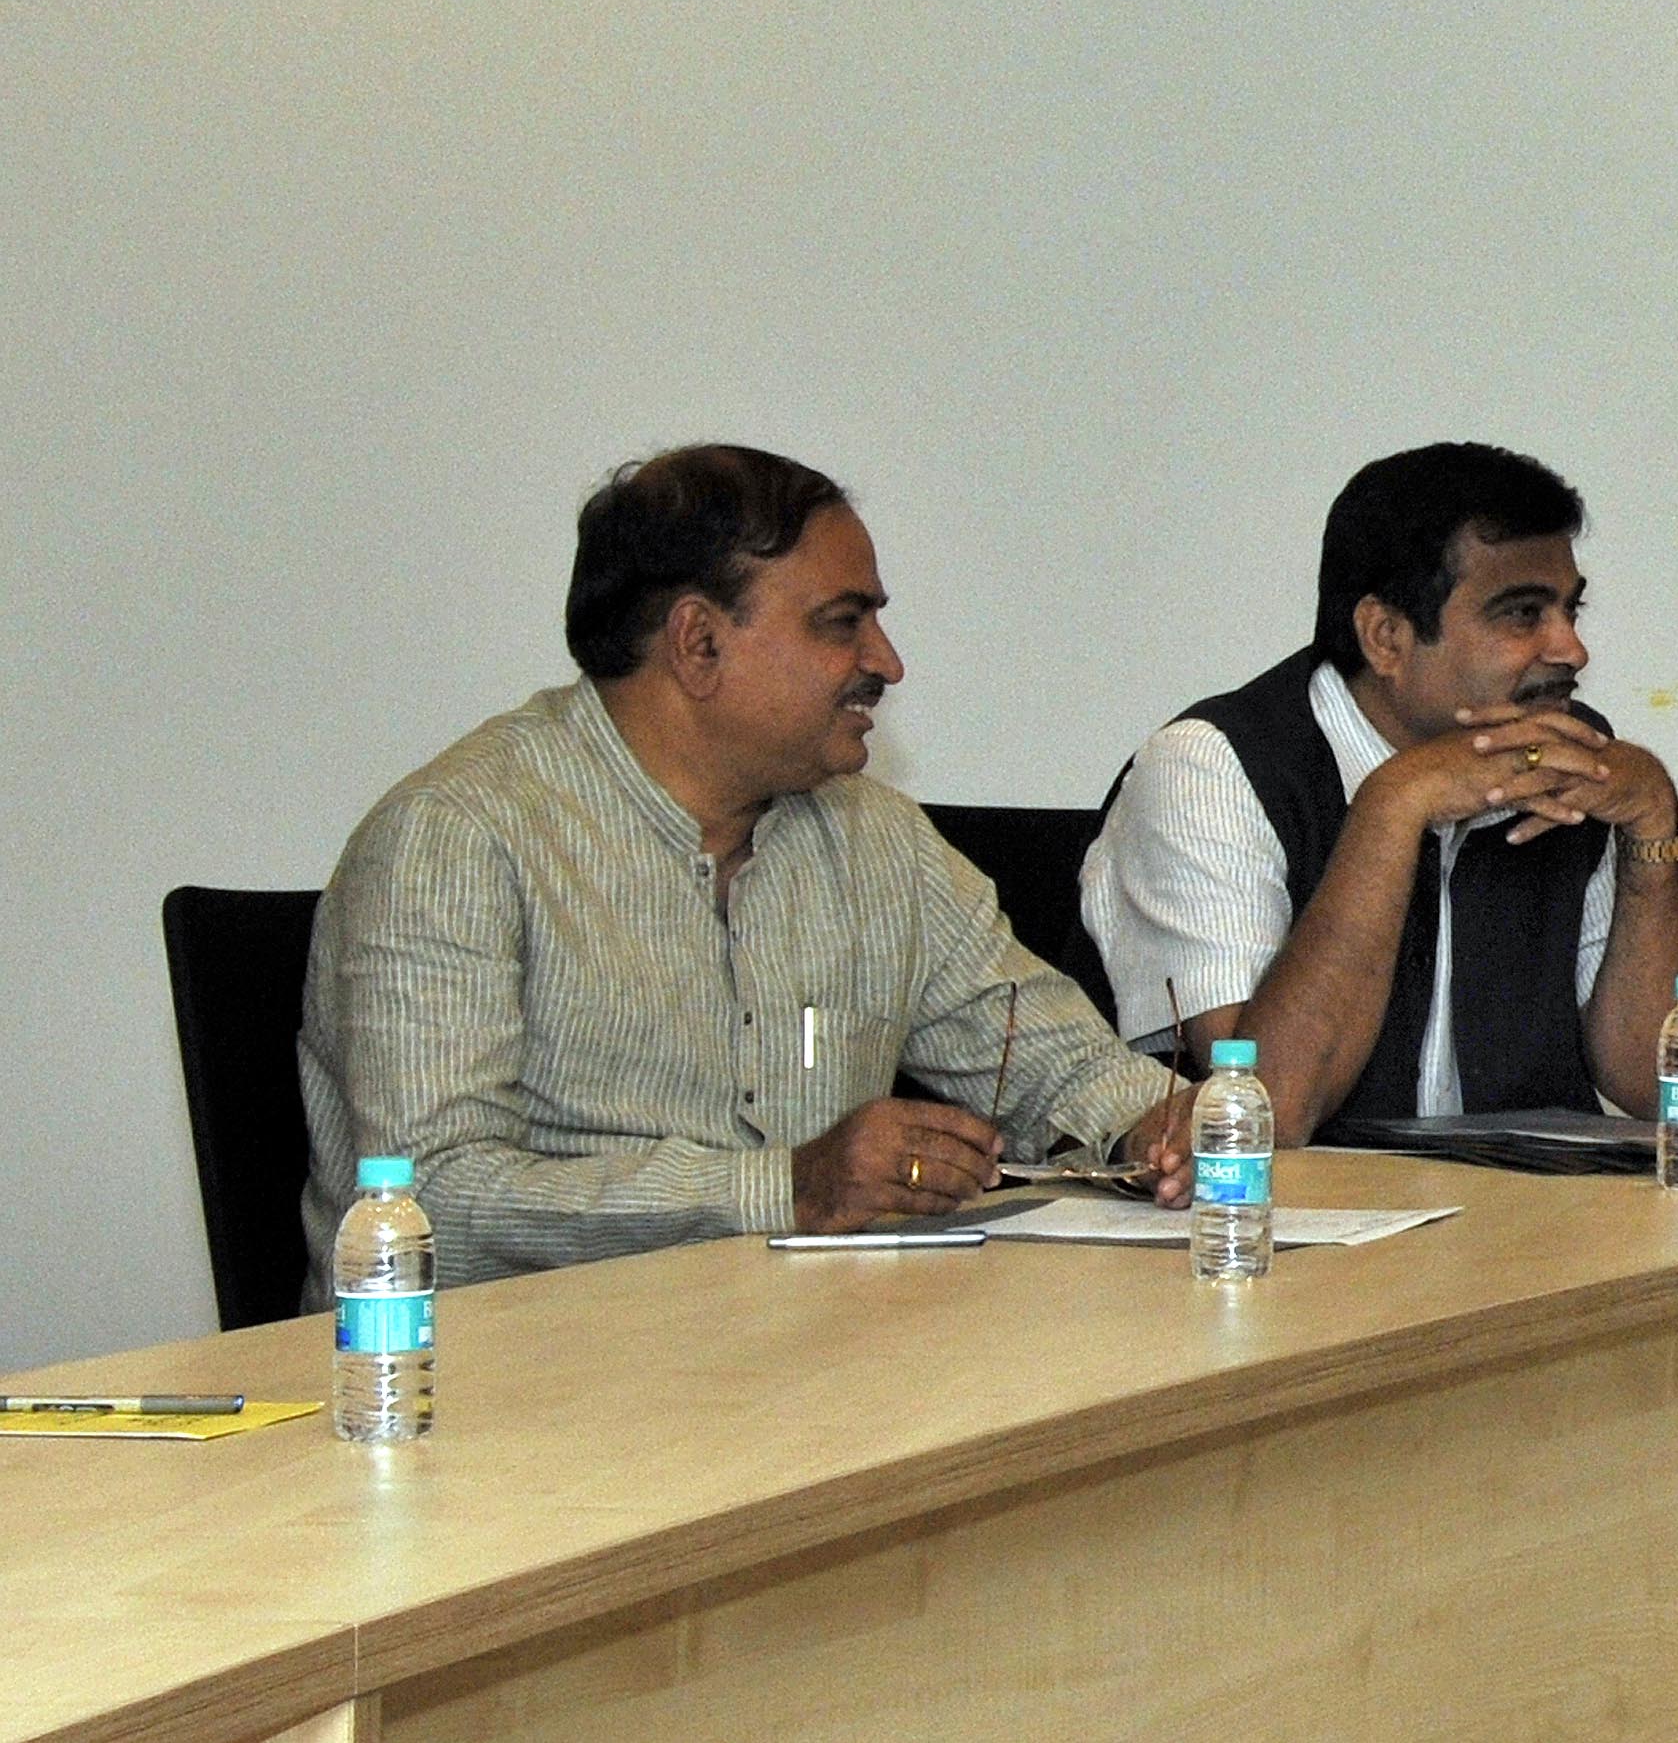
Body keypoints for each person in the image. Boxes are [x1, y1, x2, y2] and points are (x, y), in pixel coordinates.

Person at [300, 447, 1187, 1286]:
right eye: (844, 623)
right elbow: (430, 1203)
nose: (887, 662)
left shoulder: (876, 840)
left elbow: (1060, 1070)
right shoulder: (456, 839)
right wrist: (787, 1189)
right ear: (698, 643)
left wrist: (1161, 1126)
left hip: (805, 1365)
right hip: (510, 1395)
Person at [1079, 444, 1678, 1140]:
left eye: (1570, 610)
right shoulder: (1213, 767)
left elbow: (1663, 1089)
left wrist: (1654, 819)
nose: (1571, 649)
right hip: (1280, 1237)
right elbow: (1264, 1116)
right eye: (1522, 614)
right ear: (1386, 637)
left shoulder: (1570, 758)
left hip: (1523, 1226)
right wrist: (1392, 805)